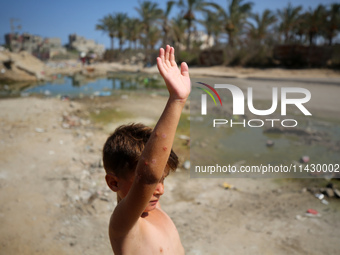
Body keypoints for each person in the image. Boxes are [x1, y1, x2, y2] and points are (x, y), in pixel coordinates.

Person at [102, 45, 190, 255]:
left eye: (163, 180)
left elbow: (153, 166)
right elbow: (147, 176)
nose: (160, 189)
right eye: (154, 181)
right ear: (114, 182)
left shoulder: (154, 210)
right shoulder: (123, 225)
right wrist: (177, 100)